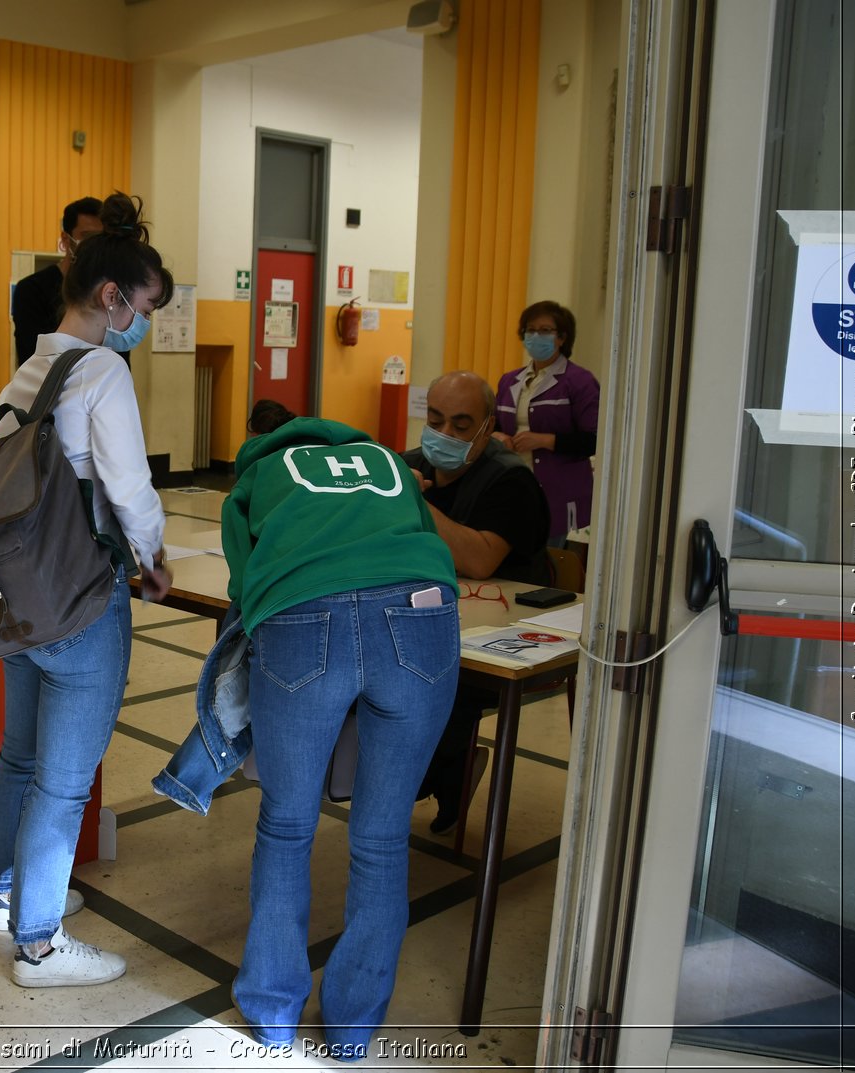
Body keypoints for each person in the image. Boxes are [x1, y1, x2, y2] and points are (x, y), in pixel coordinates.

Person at [162, 398, 460, 1056]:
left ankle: (272, 1010)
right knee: (381, 839)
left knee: (288, 823)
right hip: (421, 617)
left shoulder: (254, 479)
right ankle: (353, 1026)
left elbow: (244, 591)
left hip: (304, 621)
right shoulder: (385, 460)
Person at [0, 192, 173, 987]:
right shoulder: (100, 370)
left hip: (17, 595)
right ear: (110, 297)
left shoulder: (31, 366)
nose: (143, 323)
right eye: (144, 307)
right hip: (82, 599)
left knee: (19, 755)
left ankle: (6, 891)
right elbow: (128, 490)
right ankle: (39, 944)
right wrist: (154, 555)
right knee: (64, 779)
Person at [403, 370, 549, 833]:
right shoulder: (406, 464)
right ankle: (410, 777)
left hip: (499, 632)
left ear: (488, 428)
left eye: (461, 426)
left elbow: (481, 560)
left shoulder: (509, 481)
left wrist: (415, 503)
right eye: (437, 420)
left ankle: (444, 776)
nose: (444, 435)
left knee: (438, 680)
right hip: (423, 616)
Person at [494, 300, 600, 545]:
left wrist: (545, 440)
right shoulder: (510, 380)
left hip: (560, 493)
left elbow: (594, 439)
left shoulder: (580, 381)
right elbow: (494, 425)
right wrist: (498, 437)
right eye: (530, 330)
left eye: (545, 330)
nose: (535, 336)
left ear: (561, 338)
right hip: (515, 483)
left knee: (551, 559)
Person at [11, 197, 105, 366]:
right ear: (65, 238)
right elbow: (31, 360)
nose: (95, 246)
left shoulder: (108, 294)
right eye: (87, 236)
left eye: (101, 238)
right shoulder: (32, 290)